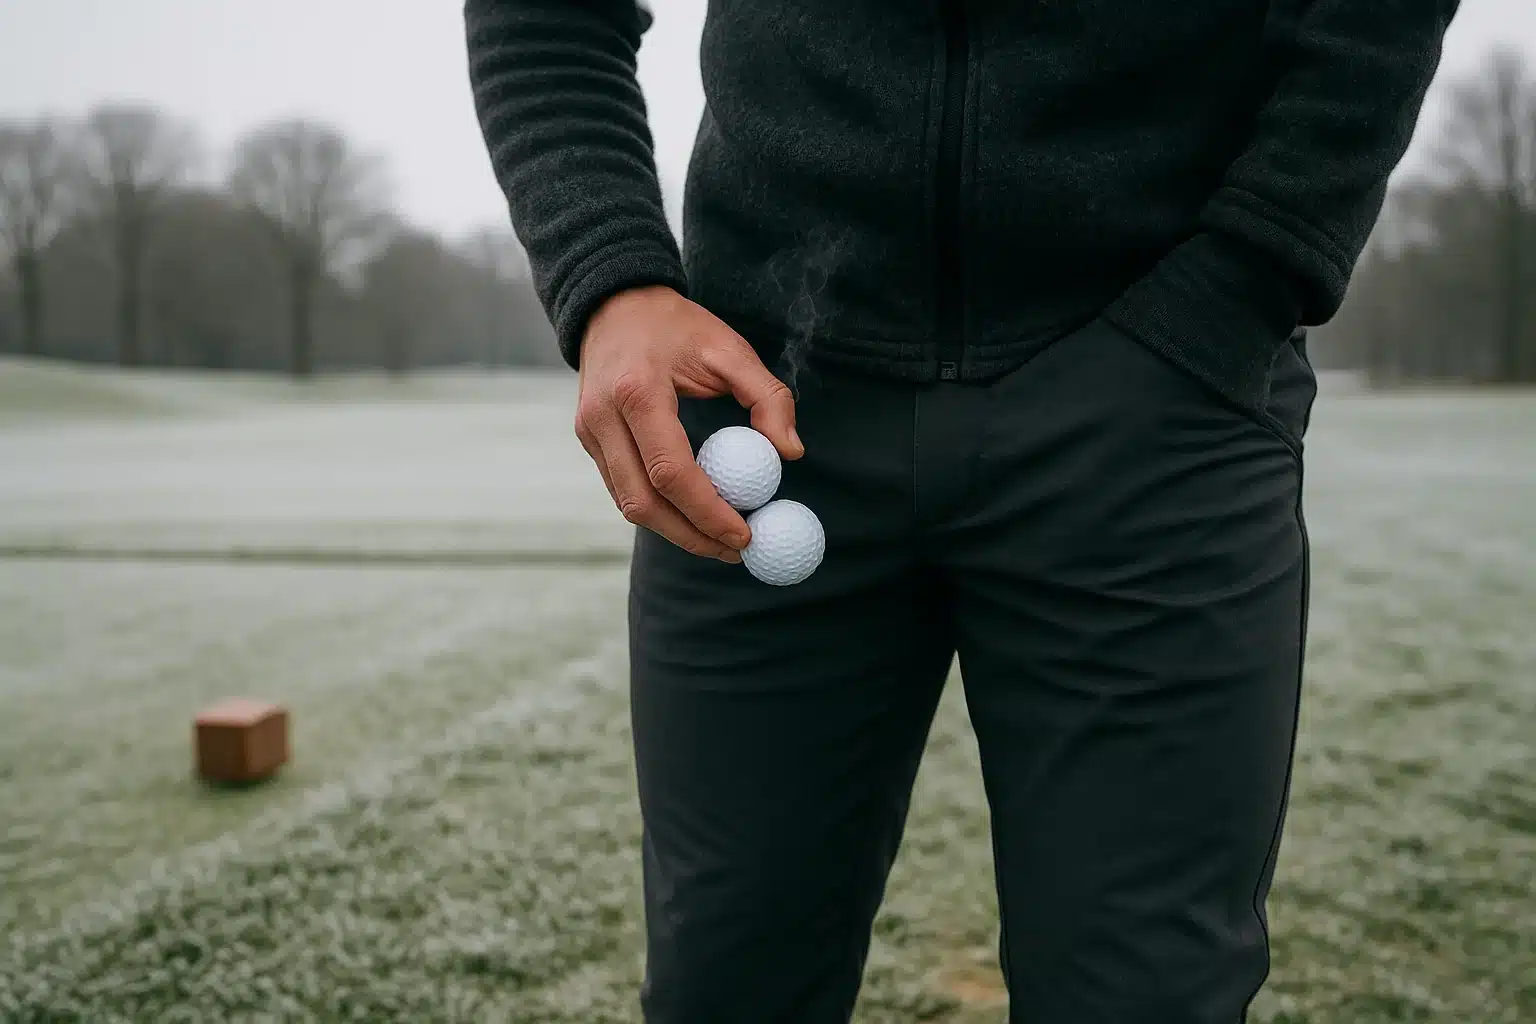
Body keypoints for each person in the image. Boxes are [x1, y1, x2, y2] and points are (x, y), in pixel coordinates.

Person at [464, 0, 1458, 1019]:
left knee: (1142, 995)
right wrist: (611, 277)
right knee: (727, 988)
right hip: (769, 412)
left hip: (1161, 392)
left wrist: (1242, 282)